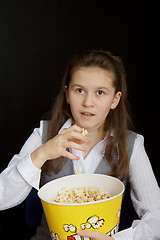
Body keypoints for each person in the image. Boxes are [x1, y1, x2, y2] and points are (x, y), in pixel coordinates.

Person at [0, 50, 160, 240]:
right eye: (79, 90)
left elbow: (156, 217)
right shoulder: (42, 135)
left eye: (100, 93)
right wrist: (40, 154)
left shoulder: (131, 144)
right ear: (67, 94)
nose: (88, 102)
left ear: (115, 100)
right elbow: (2, 199)